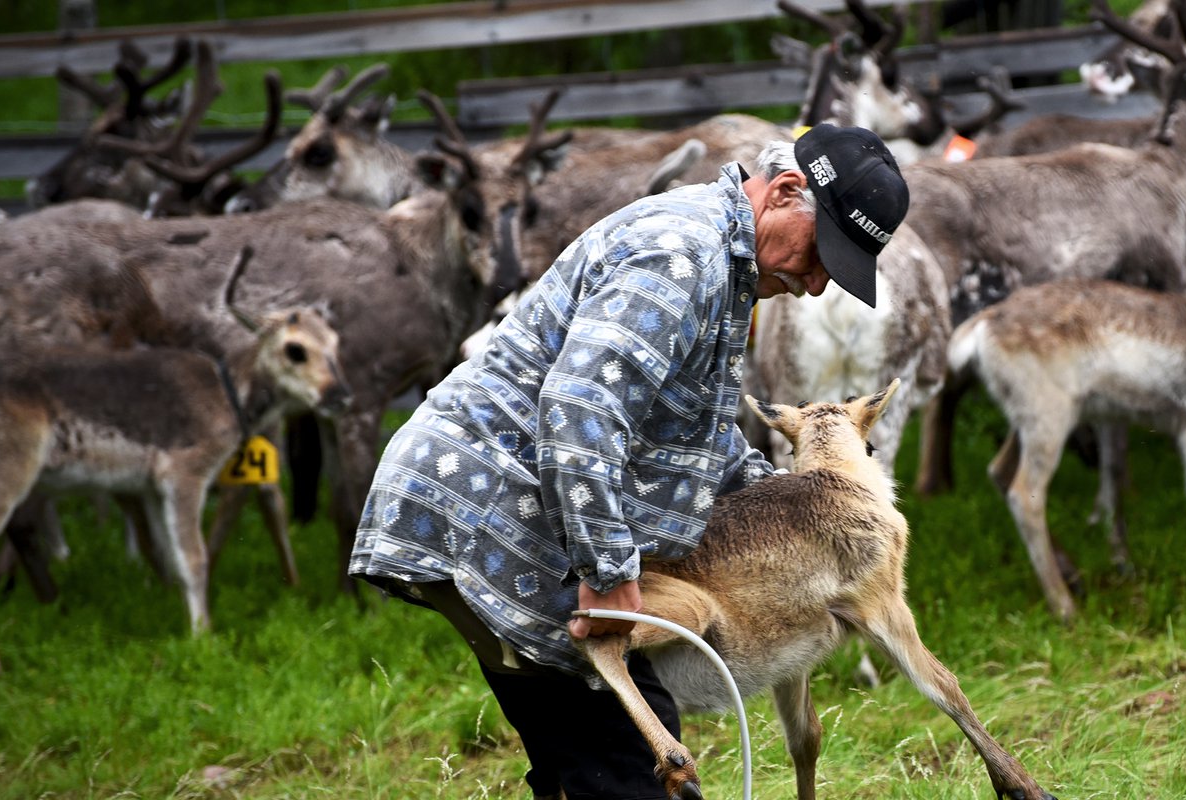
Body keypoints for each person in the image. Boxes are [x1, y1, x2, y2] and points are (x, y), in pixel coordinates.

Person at [349, 124, 910, 800]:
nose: (816, 286)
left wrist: (796, 500)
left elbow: (691, 429)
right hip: (489, 504)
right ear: (789, 192)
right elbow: (581, 406)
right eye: (823, 255)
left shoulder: (720, 263)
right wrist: (609, 571)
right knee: (637, 767)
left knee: (587, 758)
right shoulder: (682, 252)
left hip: (506, 511)